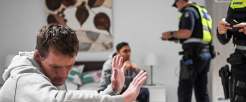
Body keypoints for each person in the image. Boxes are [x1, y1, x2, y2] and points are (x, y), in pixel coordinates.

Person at [0, 24, 147, 102]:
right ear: (39, 56)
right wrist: (123, 99)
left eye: (69, 66)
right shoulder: (24, 78)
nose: (63, 74)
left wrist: (113, 89)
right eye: (56, 67)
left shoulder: (52, 76)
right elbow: (58, 100)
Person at [161, 0, 213, 102]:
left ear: (181, 1)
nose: (177, 8)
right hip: (205, 54)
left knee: (184, 90)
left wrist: (170, 34)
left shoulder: (188, 11)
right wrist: (175, 38)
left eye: (176, 5)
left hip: (192, 56)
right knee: (201, 91)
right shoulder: (202, 12)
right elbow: (196, 35)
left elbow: (186, 33)